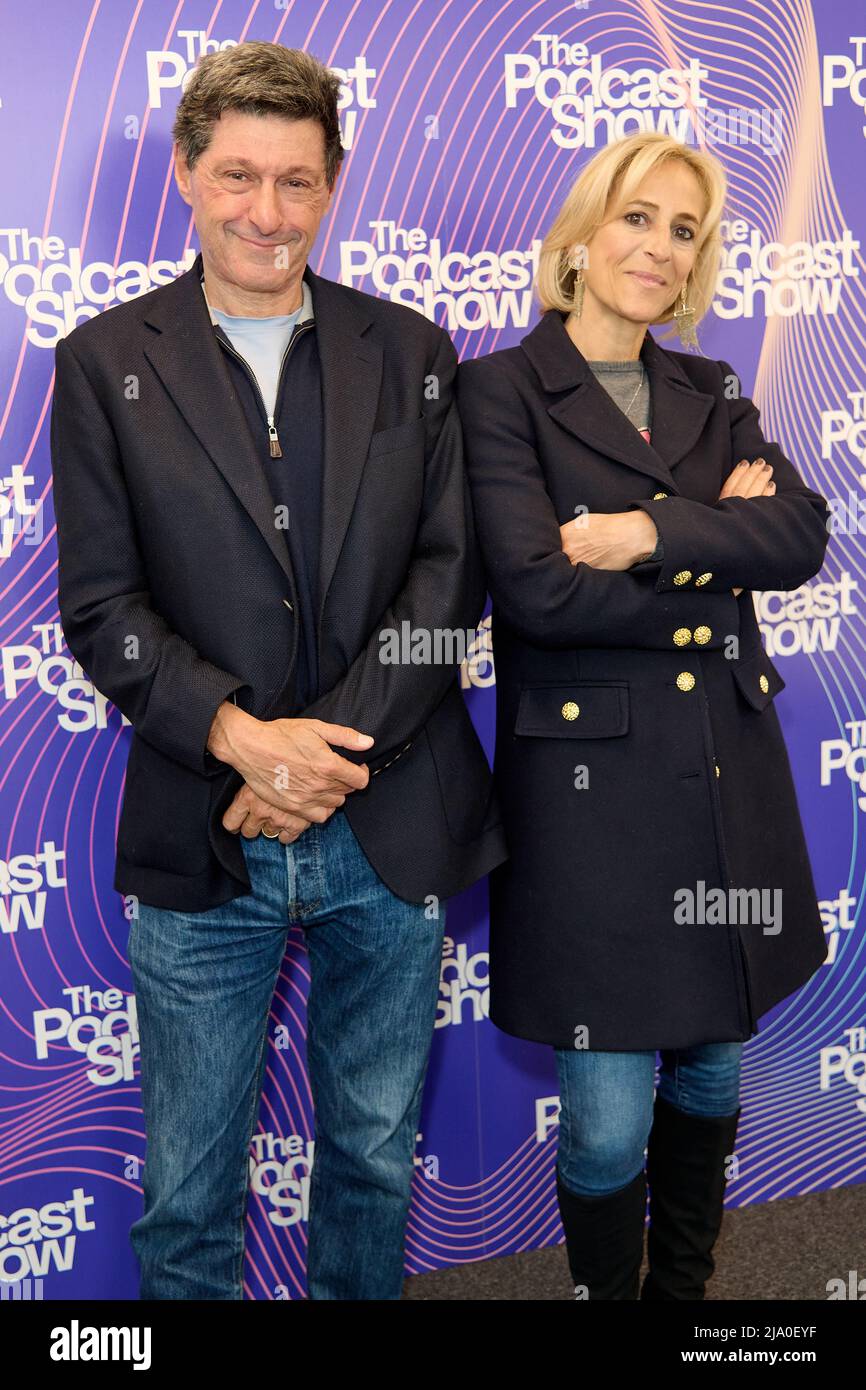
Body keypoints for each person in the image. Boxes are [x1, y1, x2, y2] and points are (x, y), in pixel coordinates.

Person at [49, 40, 505, 1300]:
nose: (267, 212)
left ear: (335, 180)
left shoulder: (410, 349)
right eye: (239, 176)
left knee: (367, 1155)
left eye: (297, 181)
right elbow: (102, 606)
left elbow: (444, 580)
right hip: (207, 828)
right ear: (187, 176)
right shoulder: (100, 364)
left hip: (391, 817)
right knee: (188, 1183)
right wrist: (246, 741)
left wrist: (317, 755)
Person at [457, 131, 830, 1300]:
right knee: (607, 1127)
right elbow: (534, 590)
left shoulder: (710, 388)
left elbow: (798, 536)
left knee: (711, 1078)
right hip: (592, 812)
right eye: (636, 218)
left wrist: (642, 534)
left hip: (723, 780)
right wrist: (710, 549)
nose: (657, 248)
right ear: (580, 235)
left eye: (682, 230)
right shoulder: (497, 389)